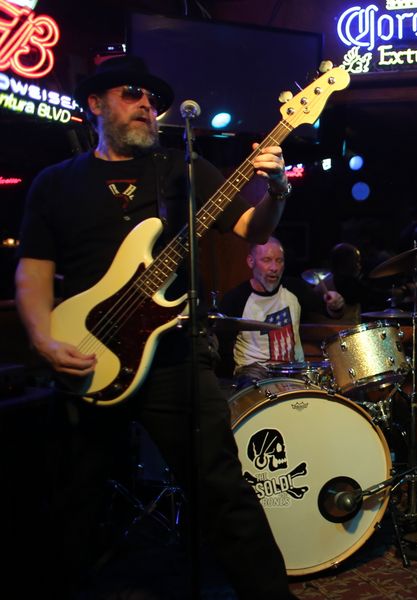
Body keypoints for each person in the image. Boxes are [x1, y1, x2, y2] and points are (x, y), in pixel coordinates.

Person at [14, 55, 297, 599]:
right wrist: (42, 340)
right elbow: (34, 272)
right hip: (87, 354)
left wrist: (278, 190)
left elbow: (252, 230)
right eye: (131, 93)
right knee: (71, 498)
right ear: (95, 104)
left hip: (174, 357)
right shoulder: (56, 183)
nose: (146, 104)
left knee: (222, 489)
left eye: (151, 97)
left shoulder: (183, 169)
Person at [219, 236, 345, 384]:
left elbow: (331, 311)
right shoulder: (235, 299)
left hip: (293, 372)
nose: (274, 268)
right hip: (253, 375)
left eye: (279, 261)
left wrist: (335, 305)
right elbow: (221, 347)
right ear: (251, 261)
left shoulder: (295, 289)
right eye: (267, 260)